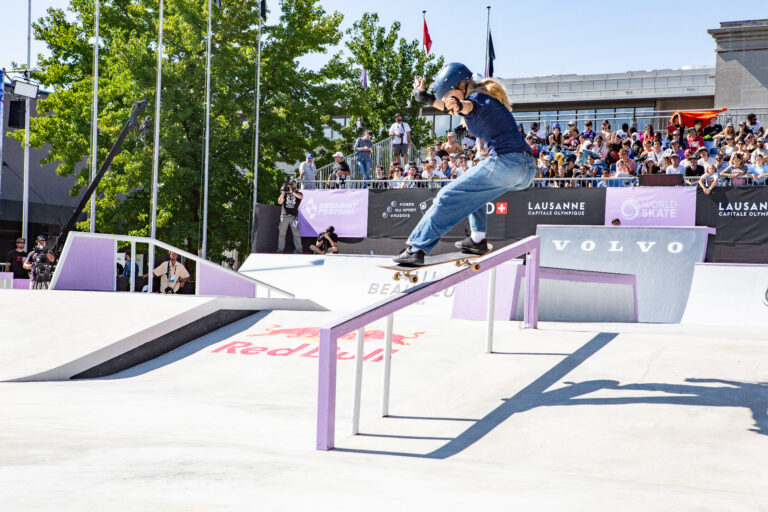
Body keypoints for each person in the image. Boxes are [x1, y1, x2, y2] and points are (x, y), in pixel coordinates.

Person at [393, 63, 535, 265]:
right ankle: (477, 239)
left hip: (506, 163)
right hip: (525, 169)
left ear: (460, 87)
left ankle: (416, 248)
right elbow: (451, 108)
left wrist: (459, 105)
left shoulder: (475, 100)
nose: (449, 104)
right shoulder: (486, 100)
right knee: (474, 192)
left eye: (449, 95)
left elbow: (464, 106)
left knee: (446, 195)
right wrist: (425, 98)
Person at [277, 179, 303, 254]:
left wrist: (292, 192)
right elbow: (279, 202)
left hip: (294, 217)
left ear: (295, 184)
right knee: (282, 233)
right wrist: (283, 193)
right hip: (284, 215)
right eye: (290, 184)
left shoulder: (298, 193)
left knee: (296, 234)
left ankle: (299, 250)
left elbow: (300, 197)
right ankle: (280, 250)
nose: (291, 185)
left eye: (293, 184)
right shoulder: (285, 193)